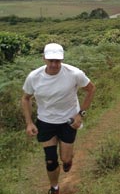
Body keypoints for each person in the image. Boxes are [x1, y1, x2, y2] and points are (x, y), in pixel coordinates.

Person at [21, 43, 96, 194]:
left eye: (58, 61)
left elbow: (91, 89)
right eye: (51, 61)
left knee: (65, 159)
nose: (54, 64)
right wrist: (29, 123)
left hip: (68, 121)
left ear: (62, 59)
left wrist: (80, 114)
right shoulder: (34, 77)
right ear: (44, 59)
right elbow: (25, 99)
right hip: (45, 122)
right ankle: (54, 187)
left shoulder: (74, 73)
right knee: (50, 159)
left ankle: (68, 160)